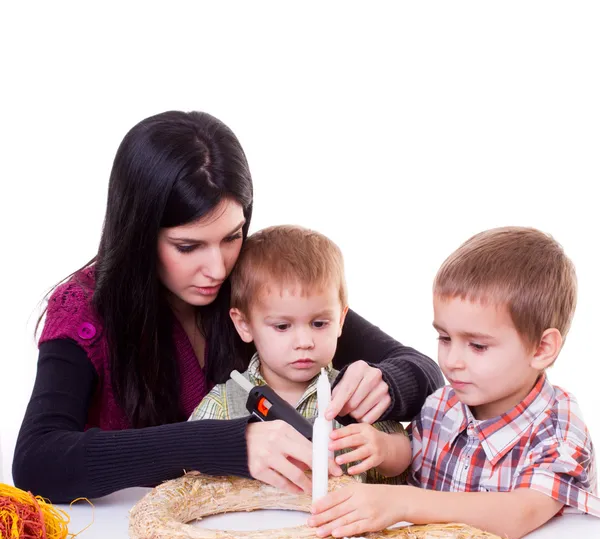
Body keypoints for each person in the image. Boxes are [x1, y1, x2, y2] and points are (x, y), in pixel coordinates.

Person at [12, 110, 442, 503]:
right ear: (139, 234)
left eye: (232, 236)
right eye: (188, 246)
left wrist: (387, 382)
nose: (217, 269)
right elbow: (38, 461)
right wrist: (231, 443)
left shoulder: (255, 281)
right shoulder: (84, 311)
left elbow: (422, 370)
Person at [309, 227, 600, 539]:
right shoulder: (443, 404)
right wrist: (382, 448)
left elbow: (520, 512)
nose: (452, 361)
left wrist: (404, 503)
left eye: (477, 346)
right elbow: (412, 455)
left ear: (541, 349)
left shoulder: (559, 429)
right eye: (445, 338)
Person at [189, 225, 411, 484]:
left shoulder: (353, 395)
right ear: (244, 325)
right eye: (282, 326)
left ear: (341, 320)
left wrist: (384, 448)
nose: (304, 342)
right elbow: (188, 470)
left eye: (319, 324)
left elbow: (406, 456)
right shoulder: (224, 404)